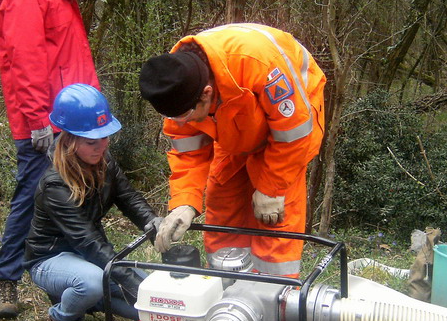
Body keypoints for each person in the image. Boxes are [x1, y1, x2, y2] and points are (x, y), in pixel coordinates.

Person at [138, 23, 326, 277]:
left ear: (206, 94)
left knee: (274, 216)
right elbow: (187, 151)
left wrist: (272, 187)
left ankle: (274, 289)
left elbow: (294, 132)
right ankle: (224, 283)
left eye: (185, 116)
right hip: (234, 123)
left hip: (290, 126)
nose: (180, 123)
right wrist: (184, 202)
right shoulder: (176, 84)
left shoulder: (261, 65)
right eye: (174, 118)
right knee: (223, 204)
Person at [0, 0, 99, 319]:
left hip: (72, 119)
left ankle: (69, 280)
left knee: (72, 198)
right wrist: (39, 124)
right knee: (31, 197)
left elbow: (70, 57)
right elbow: (26, 63)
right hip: (46, 123)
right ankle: (5, 279)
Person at [25, 84, 160, 321]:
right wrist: (129, 282)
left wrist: (154, 225)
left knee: (152, 305)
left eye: (105, 137)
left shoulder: (104, 161)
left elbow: (129, 198)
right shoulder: (54, 184)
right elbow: (88, 242)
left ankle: (87, 300)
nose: (102, 146)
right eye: (91, 141)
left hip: (89, 259)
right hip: (50, 259)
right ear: (70, 140)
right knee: (94, 282)